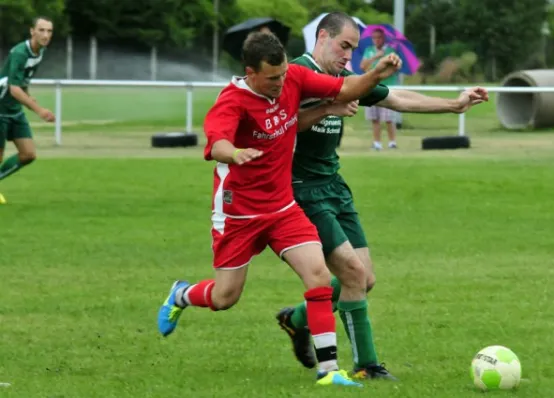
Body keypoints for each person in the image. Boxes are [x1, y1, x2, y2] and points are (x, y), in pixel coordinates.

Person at [156, 31, 401, 387]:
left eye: (283, 74)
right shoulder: (232, 101)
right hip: (238, 214)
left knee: (317, 274)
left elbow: (343, 90)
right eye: (272, 78)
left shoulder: (293, 77)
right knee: (225, 297)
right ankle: (181, 294)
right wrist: (235, 153)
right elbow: (218, 141)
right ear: (251, 72)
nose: (280, 83)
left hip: (283, 207)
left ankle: (329, 371)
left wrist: (374, 75)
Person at [275, 12, 488, 380]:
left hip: (334, 186)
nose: (348, 56)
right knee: (354, 274)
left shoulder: (344, 78)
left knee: (364, 279)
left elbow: (396, 98)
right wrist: (326, 107)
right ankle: (366, 366)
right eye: (344, 46)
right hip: (301, 191)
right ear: (322, 37)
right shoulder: (294, 74)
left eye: (353, 50)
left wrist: (454, 104)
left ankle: (297, 319)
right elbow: (279, 123)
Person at [0, 16, 55, 204]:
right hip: (0, 109)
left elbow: (22, 82)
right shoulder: (20, 52)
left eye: (49, 31)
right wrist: (38, 110)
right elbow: (13, 88)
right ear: (32, 31)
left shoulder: (40, 52)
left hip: (14, 109)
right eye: (41, 30)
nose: (46, 35)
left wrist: (28, 95)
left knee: (28, 154)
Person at [360, 27, 400, 150]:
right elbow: (363, 66)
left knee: (388, 118)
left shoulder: (390, 51)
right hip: (372, 86)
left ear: (384, 38)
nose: (377, 40)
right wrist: (376, 57)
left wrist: (377, 67)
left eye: (379, 37)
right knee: (375, 118)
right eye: (374, 38)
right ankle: (377, 143)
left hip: (388, 87)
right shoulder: (369, 51)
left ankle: (392, 142)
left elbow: (391, 69)